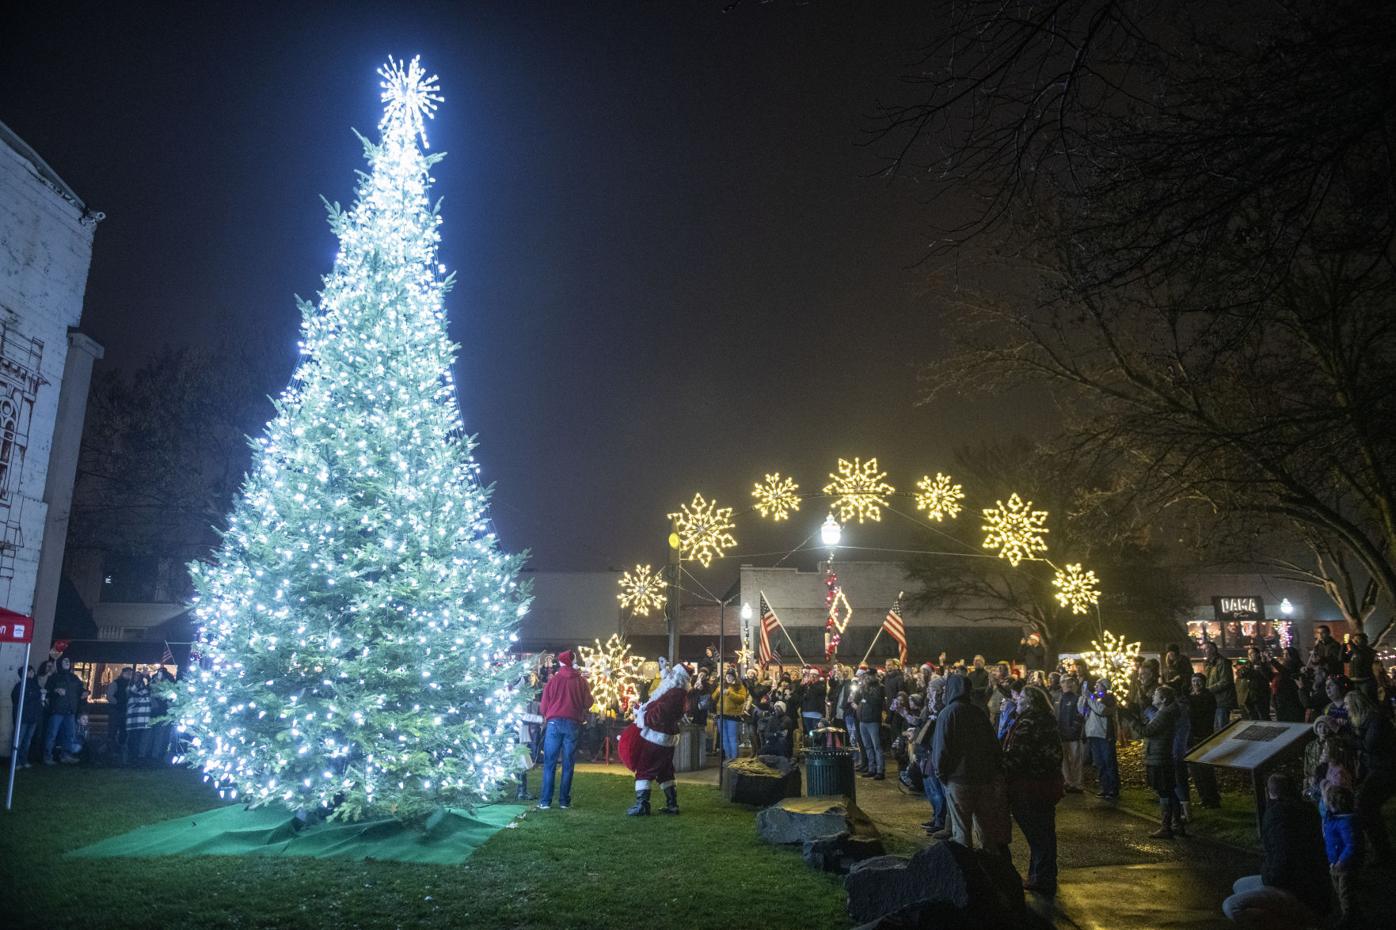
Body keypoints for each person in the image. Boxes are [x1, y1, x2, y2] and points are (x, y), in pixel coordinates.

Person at [1221, 773, 1333, 928]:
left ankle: (1295, 923)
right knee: (1239, 885)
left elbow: (1282, 860)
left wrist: (1268, 876)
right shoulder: (1306, 809)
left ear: (1269, 792)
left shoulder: (1278, 816)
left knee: (1231, 906)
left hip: (1300, 891)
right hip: (1310, 886)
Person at [931, 673, 1011, 853]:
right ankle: (991, 864)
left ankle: (966, 867)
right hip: (983, 779)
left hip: (959, 779)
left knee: (961, 832)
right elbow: (993, 745)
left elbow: (941, 749)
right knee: (986, 829)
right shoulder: (978, 712)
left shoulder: (947, 714)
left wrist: (942, 775)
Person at [1002, 686, 1064, 894]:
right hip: (1047, 783)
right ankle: (1041, 874)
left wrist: (1003, 769)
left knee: (1037, 834)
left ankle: (1042, 877)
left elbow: (1018, 754)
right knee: (1045, 831)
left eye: (1020, 698)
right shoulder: (1047, 721)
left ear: (1028, 702)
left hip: (1029, 784)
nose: (1017, 700)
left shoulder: (1028, 723)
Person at [619, 662, 690, 816]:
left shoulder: (674, 694)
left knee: (644, 769)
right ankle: (672, 804)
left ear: (677, 677)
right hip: (665, 736)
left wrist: (643, 716)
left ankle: (642, 805)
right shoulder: (677, 691)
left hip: (656, 737)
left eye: (672, 673)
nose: (669, 675)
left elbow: (660, 713)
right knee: (665, 771)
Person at [536, 649, 593, 810]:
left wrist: (548, 715)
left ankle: (545, 801)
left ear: (560, 663)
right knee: (568, 764)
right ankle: (563, 801)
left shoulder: (553, 681)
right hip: (572, 723)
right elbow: (588, 702)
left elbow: (544, 706)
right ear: (573, 662)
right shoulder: (581, 681)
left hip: (554, 723)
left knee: (549, 763)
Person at [1345, 691, 1393, 865]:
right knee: (1368, 807)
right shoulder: (1365, 721)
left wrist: (1344, 735)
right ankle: (1380, 848)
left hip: (1386, 769)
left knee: (1365, 806)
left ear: (1356, 705)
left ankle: (1381, 852)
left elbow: (1369, 745)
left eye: (1347, 704)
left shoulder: (1376, 720)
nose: (1345, 708)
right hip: (1377, 768)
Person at [1141, 685, 1185, 838]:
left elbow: (1147, 731)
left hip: (1159, 757)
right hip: (1162, 756)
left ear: (1163, 699)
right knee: (1169, 791)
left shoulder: (1164, 715)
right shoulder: (1165, 713)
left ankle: (1167, 826)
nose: (1153, 696)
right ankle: (1176, 824)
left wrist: (1131, 720)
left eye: (1156, 694)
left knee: (1164, 791)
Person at [1322, 783, 1362, 926]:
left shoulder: (1346, 822)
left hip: (1344, 865)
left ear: (1333, 804)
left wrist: (1341, 861)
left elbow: (1351, 845)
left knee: (1345, 892)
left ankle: (1349, 917)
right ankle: (1352, 913)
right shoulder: (1333, 818)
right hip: (1335, 862)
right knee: (1340, 891)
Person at [1187, 673, 1222, 807]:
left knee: (1205, 769)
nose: (1196, 684)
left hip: (1203, 735)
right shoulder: (1192, 697)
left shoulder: (1207, 697)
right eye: (1193, 681)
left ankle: (1211, 797)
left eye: (1198, 681)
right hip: (1193, 735)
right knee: (1195, 770)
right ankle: (1204, 797)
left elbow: (1200, 712)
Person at [1081, 678, 1119, 800]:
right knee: (1099, 763)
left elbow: (1101, 710)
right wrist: (1084, 698)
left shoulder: (1109, 698)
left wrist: (1090, 698)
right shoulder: (1094, 697)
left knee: (1108, 762)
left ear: (1105, 687)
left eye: (1098, 685)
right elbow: (1082, 711)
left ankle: (1113, 788)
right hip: (1093, 733)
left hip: (1104, 734)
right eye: (1096, 685)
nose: (1095, 687)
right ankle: (1104, 787)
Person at [42, 657, 83, 764]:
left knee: (69, 734)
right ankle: (47, 756)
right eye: (65, 661)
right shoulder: (54, 678)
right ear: (60, 663)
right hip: (57, 710)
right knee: (52, 734)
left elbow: (81, 689)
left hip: (70, 710)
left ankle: (66, 755)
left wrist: (85, 692)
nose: (67, 662)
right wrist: (55, 691)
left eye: (68, 661)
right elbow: (47, 692)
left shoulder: (74, 677)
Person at [854, 667, 886, 780]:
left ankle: (880, 770)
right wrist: (859, 691)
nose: (866, 678)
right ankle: (871, 768)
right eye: (865, 676)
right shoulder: (864, 687)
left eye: (868, 676)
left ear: (874, 676)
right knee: (867, 746)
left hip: (873, 720)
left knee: (877, 746)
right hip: (863, 720)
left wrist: (865, 694)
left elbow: (876, 702)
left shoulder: (880, 687)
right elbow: (857, 699)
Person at [712, 667, 749, 762]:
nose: (728, 677)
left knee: (732, 738)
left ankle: (734, 759)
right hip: (721, 715)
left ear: (734, 677)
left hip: (733, 716)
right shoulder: (722, 685)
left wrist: (729, 693)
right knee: (724, 738)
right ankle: (728, 758)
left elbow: (741, 699)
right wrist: (718, 691)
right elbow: (713, 698)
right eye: (727, 675)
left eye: (731, 676)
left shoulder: (739, 686)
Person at [1057, 675, 1086, 792]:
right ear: (1061, 684)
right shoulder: (1059, 699)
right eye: (1065, 682)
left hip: (1074, 735)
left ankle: (1077, 784)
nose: (1068, 684)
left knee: (1076, 760)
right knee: (1064, 761)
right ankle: (1068, 782)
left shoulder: (1077, 698)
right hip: (1061, 734)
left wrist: (1075, 728)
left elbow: (1081, 715)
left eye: (1070, 682)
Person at [10, 665, 42, 767]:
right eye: (29, 671)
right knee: (18, 740)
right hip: (23, 718)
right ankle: (15, 762)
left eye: (32, 671)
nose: (32, 673)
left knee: (27, 741)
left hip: (33, 717)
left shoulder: (35, 686)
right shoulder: (19, 686)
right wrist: (34, 695)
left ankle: (23, 760)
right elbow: (18, 700)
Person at [1204, 641, 1238, 732]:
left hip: (1222, 700)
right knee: (1217, 727)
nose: (1204, 651)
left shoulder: (1222, 662)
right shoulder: (1209, 664)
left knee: (1221, 727)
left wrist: (1208, 690)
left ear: (1213, 649)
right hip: (1215, 700)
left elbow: (1225, 681)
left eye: (1206, 648)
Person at [123, 672, 153, 765]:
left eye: (139, 676)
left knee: (142, 740)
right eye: (136, 676)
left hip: (144, 720)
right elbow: (132, 692)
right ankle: (131, 758)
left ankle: (139, 757)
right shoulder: (130, 688)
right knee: (133, 739)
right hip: (134, 720)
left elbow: (152, 687)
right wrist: (141, 678)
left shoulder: (146, 689)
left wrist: (148, 677)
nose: (138, 677)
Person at [106, 666, 134, 753]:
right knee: (112, 731)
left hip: (125, 711)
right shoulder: (115, 683)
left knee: (123, 731)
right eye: (127, 673)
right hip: (115, 711)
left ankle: (121, 749)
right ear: (123, 673)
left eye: (130, 674)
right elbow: (109, 696)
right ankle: (111, 750)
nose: (129, 675)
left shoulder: (131, 684)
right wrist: (117, 703)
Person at [799, 667, 826, 740]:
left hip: (816, 714)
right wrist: (801, 685)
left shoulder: (821, 684)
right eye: (810, 675)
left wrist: (810, 684)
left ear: (817, 676)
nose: (811, 677)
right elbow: (800, 694)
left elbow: (818, 691)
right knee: (810, 734)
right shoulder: (807, 685)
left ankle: (817, 745)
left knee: (816, 734)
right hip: (806, 713)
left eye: (813, 675)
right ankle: (811, 744)